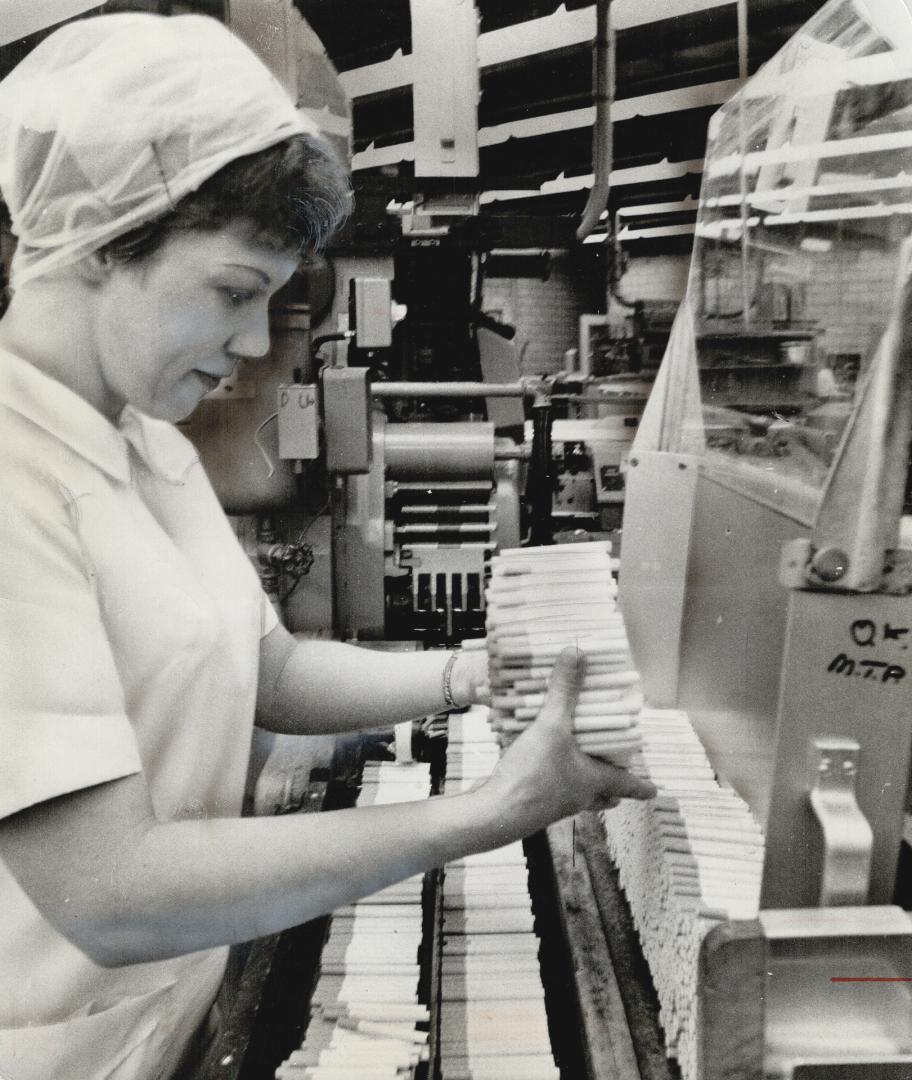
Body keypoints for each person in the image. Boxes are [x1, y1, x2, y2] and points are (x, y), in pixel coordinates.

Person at [0, 13, 655, 1080]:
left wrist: (473, 676)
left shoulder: (142, 444)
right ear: (107, 239)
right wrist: (488, 812)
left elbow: (273, 671)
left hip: (157, 1022)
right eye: (234, 292)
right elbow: (107, 891)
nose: (256, 344)